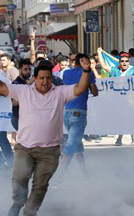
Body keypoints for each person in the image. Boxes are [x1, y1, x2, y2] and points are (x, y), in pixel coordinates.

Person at [0, 53, 92, 216]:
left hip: (49, 151)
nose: (45, 81)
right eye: (42, 78)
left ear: (52, 79)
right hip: (25, 148)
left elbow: (81, 88)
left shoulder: (60, 92)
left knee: (40, 186)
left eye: (48, 78)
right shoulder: (23, 91)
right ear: (35, 79)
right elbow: (0, 86)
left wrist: (86, 71)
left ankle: (29, 212)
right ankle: (18, 203)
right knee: (19, 178)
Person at [55, 54, 98, 186]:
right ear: (83, 62)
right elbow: (95, 92)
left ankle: (85, 174)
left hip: (66, 112)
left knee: (76, 144)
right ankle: (59, 177)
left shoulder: (66, 73)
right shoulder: (88, 72)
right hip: (79, 113)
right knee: (71, 146)